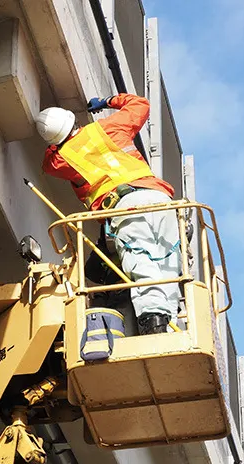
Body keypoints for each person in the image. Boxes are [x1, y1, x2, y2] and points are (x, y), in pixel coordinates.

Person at [36, 94, 181, 335]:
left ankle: (153, 323)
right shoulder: (108, 126)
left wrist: (56, 142)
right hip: (161, 200)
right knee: (167, 262)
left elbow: (47, 163)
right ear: (74, 122)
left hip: (126, 206)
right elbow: (141, 104)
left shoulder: (62, 159)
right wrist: (108, 101)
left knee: (140, 258)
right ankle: (171, 324)